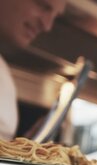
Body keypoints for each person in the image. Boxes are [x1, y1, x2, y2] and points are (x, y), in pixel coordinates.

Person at [0, 0, 66, 140]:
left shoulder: (3, 72)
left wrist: (25, 147)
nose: (47, 26)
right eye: (42, 5)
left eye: (55, 16)